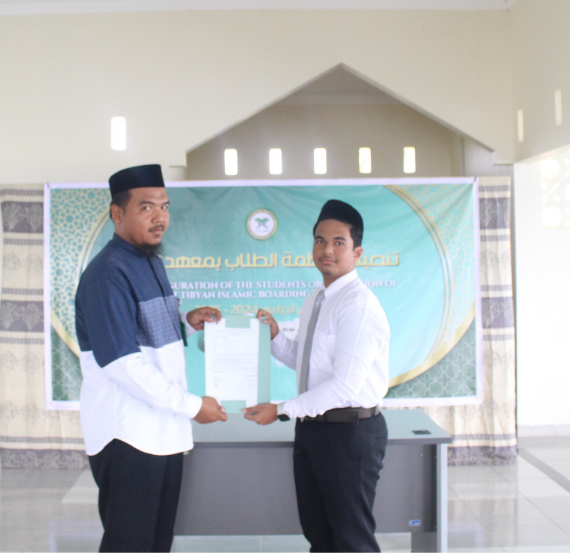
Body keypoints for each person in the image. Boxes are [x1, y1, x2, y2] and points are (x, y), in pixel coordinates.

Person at [74, 164, 228, 553]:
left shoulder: (150, 261)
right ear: (117, 213)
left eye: (164, 206)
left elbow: (143, 333)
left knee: (157, 544)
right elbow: (123, 364)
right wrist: (193, 406)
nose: (159, 217)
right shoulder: (108, 274)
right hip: (128, 437)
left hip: (161, 432)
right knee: (130, 545)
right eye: (146, 208)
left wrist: (187, 322)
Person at [243, 199, 391, 553]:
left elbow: (344, 387)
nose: (327, 250)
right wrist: (275, 337)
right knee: (320, 538)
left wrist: (280, 409)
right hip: (314, 431)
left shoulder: (357, 305)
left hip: (348, 434)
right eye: (320, 241)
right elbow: (306, 362)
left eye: (339, 242)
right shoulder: (317, 299)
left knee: (352, 542)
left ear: (357, 252)